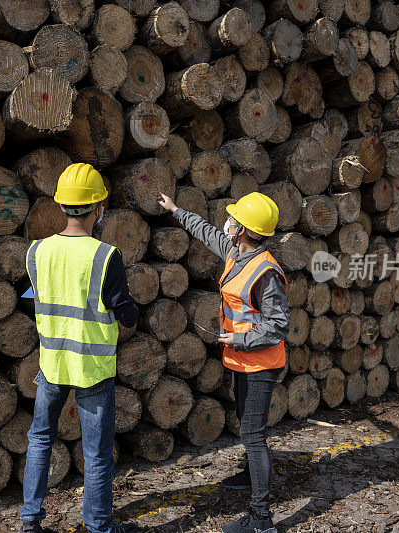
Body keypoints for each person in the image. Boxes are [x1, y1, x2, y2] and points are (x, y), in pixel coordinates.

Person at [158, 191, 290, 533]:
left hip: (261, 363)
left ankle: (262, 521)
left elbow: (279, 325)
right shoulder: (236, 252)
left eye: (234, 220)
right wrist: (176, 210)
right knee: (248, 425)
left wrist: (241, 339)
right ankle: (252, 476)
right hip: (242, 361)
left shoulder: (265, 273)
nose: (226, 222)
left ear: (247, 230)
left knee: (253, 434)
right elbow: (206, 231)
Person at [20, 163, 139, 533]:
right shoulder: (106, 256)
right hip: (91, 369)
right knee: (97, 455)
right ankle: (99, 526)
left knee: (39, 440)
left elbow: (40, 300)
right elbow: (127, 315)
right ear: (98, 207)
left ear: (61, 206)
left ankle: (29, 522)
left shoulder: (36, 252)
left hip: (52, 364)